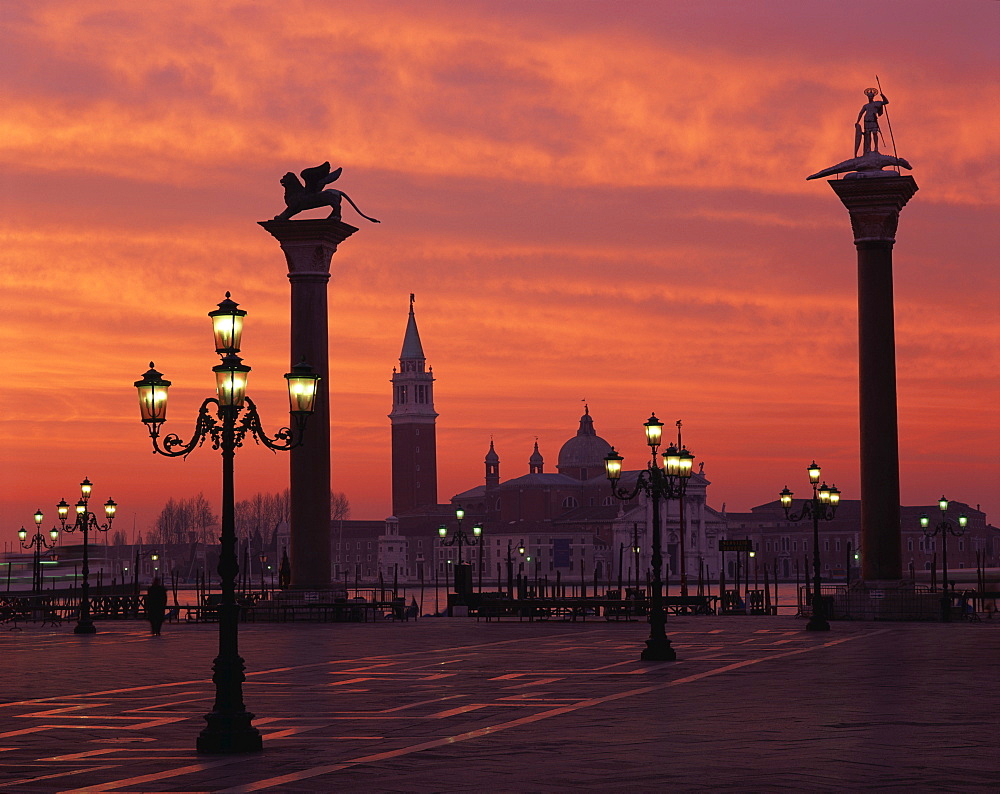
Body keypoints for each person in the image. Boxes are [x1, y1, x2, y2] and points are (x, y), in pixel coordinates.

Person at [855, 88, 889, 156]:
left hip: (873, 120)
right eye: (869, 97)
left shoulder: (877, 103)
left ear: (873, 97)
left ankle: (876, 147)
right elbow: (861, 113)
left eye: (871, 96)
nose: (870, 98)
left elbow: (886, 102)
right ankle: (868, 148)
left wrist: (883, 96)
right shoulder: (866, 106)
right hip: (866, 120)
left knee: (875, 133)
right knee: (867, 135)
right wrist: (857, 121)